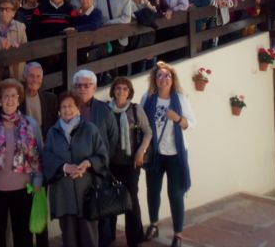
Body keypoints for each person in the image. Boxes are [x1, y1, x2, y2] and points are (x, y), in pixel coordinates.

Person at [0, 78, 44, 247]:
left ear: (19, 100)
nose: (10, 99)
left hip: (24, 189)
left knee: (23, 237)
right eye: (6, 96)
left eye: (14, 95)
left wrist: (38, 180)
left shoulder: (31, 124)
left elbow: (39, 153)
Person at [43, 91, 109, 247]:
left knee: (89, 238)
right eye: (63, 107)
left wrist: (88, 163)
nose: (67, 109)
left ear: (78, 109)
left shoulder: (90, 129)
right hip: (63, 195)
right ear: (59, 110)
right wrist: (64, 167)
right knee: (69, 239)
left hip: (87, 193)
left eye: (70, 106)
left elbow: (102, 156)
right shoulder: (52, 132)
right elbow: (46, 158)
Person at [141, 61, 195, 247]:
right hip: (155, 153)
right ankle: (154, 225)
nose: (164, 79)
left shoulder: (180, 98)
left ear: (173, 79)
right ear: (154, 79)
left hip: (176, 154)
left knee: (175, 194)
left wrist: (178, 118)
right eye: (160, 75)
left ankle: (177, 234)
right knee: (152, 191)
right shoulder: (147, 98)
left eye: (168, 75)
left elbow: (192, 123)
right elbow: (141, 124)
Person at [72, 69, 119, 247]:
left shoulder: (104, 110)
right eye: (79, 85)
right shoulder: (67, 107)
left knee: (101, 212)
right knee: (79, 214)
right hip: (75, 172)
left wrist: (98, 162)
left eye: (87, 85)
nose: (83, 89)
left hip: (98, 171)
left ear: (95, 87)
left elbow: (112, 139)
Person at [107, 77, 151, 247]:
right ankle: (108, 236)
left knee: (131, 199)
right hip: (110, 163)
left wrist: (141, 150)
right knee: (110, 199)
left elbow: (148, 132)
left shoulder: (135, 109)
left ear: (129, 92)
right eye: (118, 88)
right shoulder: (106, 109)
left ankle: (135, 239)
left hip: (131, 163)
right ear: (113, 90)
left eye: (125, 89)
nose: (121, 91)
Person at [19, 62, 58, 247]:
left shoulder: (50, 98)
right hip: (22, 160)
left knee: (41, 203)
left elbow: (55, 128)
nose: (34, 80)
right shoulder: (16, 98)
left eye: (38, 76)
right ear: (24, 77)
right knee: (24, 206)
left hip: (43, 158)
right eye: (31, 75)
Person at [94, 0, 132, 79]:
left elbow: (127, 18)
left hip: (120, 35)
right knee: (106, 61)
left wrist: (109, 23)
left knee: (121, 61)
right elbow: (95, 13)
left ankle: (123, 81)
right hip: (104, 36)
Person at [0, 0, 28, 80]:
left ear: (13, 12)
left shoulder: (20, 27)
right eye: (1, 9)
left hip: (15, 67)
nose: (4, 12)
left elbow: (25, 48)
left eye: (7, 9)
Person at [129, 0, 157, 74]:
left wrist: (147, 4)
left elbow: (153, 12)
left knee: (150, 66)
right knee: (137, 67)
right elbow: (130, 16)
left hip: (146, 38)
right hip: (134, 37)